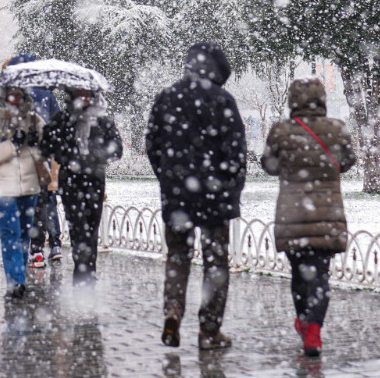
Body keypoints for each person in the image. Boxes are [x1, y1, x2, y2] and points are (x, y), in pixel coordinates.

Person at [146, 42, 246, 350]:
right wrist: (230, 188)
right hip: (215, 197)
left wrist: (169, 178)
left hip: (178, 196)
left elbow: (153, 145)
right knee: (216, 264)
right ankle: (209, 330)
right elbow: (236, 153)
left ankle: (173, 311)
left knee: (178, 257)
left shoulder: (166, 98)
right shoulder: (223, 100)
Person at [262, 77, 355, 358]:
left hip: (292, 216)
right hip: (327, 214)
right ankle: (313, 329)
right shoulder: (336, 130)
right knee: (320, 275)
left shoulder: (281, 131)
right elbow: (348, 162)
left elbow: (269, 165)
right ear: (322, 100)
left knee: (300, 274)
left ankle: (304, 320)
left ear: (293, 101)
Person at [41, 86, 123, 285]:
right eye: (80, 94)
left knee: (91, 228)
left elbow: (116, 149)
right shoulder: (63, 119)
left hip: (94, 179)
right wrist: (67, 155)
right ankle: (81, 271)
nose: (84, 98)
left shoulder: (102, 121)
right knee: (77, 227)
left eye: (88, 94)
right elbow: (46, 145)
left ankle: (89, 271)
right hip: (71, 180)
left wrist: (95, 156)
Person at [0, 86, 48, 300]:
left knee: (25, 232)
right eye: (11, 94)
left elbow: (46, 151)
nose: (15, 99)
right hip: (2, 188)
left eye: (19, 95)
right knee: (10, 232)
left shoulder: (35, 121)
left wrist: (37, 143)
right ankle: (15, 281)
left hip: (28, 186)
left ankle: (19, 276)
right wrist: (12, 145)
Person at [24, 86, 64, 268]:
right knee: (48, 201)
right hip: (45, 157)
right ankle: (55, 244)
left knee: (33, 204)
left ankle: (35, 248)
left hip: (26, 159)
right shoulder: (46, 93)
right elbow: (57, 124)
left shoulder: (12, 95)